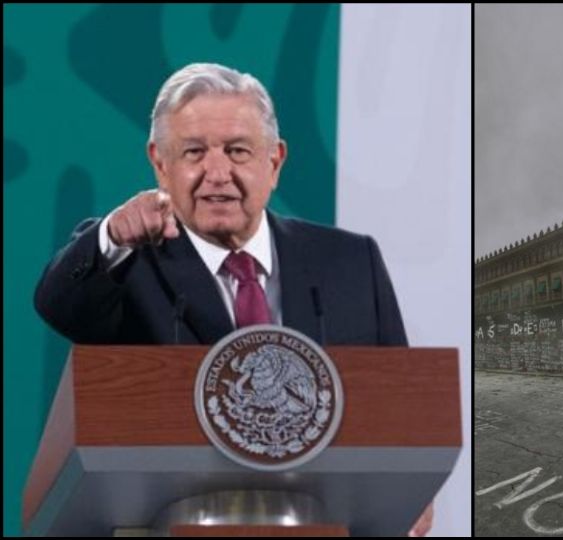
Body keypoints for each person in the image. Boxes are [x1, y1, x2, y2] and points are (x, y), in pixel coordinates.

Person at [34, 62, 431, 535]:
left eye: (237, 151)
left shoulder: (350, 261)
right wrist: (112, 236)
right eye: (194, 152)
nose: (216, 172)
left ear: (275, 161)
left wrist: (409, 495)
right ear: (160, 163)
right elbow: (57, 303)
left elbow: (405, 412)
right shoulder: (126, 260)